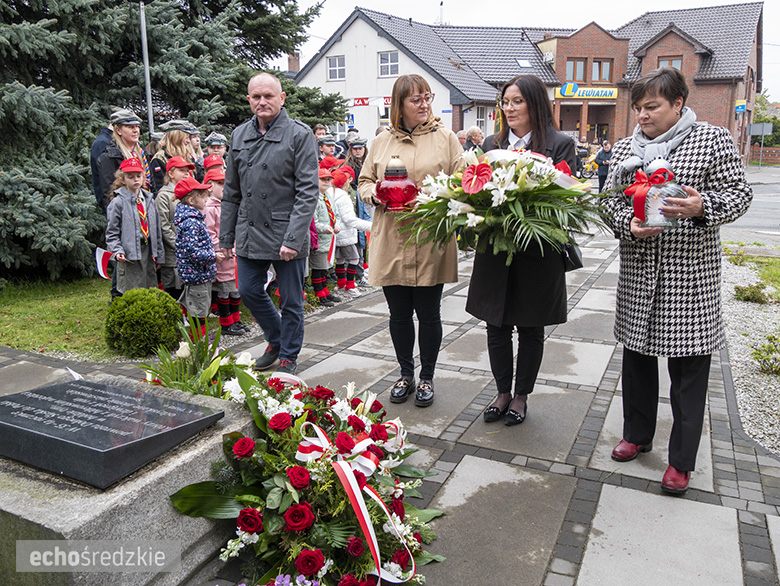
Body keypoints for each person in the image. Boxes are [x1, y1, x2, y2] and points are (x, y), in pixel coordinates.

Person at [603, 67, 752, 494]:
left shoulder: (712, 140)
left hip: (689, 278)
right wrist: (627, 226)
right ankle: (637, 435)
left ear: (678, 104)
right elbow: (608, 206)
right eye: (638, 108)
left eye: (651, 107)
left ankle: (681, 461)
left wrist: (700, 206)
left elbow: (739, 195)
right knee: (636, 362)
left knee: (688, 374)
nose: (642, 116)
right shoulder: (626, 148)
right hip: (638, 274)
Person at [468, 74, 575, 427]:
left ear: (535, 104)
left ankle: (521, 396)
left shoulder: (558, 144)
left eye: (517, 101)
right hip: (496, 249)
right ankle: (501, 391)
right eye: (506, 102)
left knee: (530, 327)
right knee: (495, 324)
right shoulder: (491, 143)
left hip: (537, 251)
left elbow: (565, 198)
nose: (509, 108)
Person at [358, 73, 461, 408]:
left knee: (429, 313)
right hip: (391, 236)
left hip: (431, 236)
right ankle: (405, 374)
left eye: (427, 97)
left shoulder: (445, 138)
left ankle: (427, 378)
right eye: (416, 99)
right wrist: (377, 194)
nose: (424, 104)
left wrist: (432, 196)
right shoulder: (381, 141)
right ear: (398, 104)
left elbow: (461, 181)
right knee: (399, 313)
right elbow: (364, 182)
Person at [219, 72, 319, 375]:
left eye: (268, 96)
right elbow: (231, 191)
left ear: (282, 98)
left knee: (291, 301)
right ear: (249, 99)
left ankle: (288, 356)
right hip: (250, 230)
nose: (262, 102)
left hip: (287, 232)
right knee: (248, 290)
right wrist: (225, 238)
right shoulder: (239, 135)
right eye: (256, 97)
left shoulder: (299, 135)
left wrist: (292, 238)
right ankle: (276, 338)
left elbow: (307, 192)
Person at [105, 158, 164, 297]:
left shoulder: (149, 200)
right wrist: (117, 250)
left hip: (148, 251)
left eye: (139, 176)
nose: (136, 180)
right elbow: (112, 233)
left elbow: (157, 230)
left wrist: (159, 255)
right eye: (130, 177)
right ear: (122, 180)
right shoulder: (118, 203)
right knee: (131, 291)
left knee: (149, 289)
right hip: (129, 254)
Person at [203, 168, 249, 337]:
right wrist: (221, 248)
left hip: (235, 253)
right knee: (225, 290)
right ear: (209, 186)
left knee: (235, 289)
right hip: (224, 255)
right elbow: (210, 232)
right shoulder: (209, 208)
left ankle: (236, 320)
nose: (224, 187)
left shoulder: (229, 204)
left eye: (225, 183)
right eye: (219, 183)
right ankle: (226, 322)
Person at [174, 176, 217, 339]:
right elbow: (193, 252)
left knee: (200, 307)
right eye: (203, 195)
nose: (207, 198)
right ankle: (198, 341)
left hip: (199, 274)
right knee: (198, 310)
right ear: (191, 200)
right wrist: (213, 257)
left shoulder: (193, 219)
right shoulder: (191, 222)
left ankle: (200, 337)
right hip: (196, 275)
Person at [156, 156, 194, 301]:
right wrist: (178, 244)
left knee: (186, 284)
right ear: (170, 174)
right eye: (182, 170)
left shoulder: (188, 194)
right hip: (173, 252)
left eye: (187, 171)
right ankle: (177, 316)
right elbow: (163, 225)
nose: (186, 174)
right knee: (173, 285)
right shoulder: (163, 196)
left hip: (188, 249)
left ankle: (187, 314)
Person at [97, 109, 150, 212]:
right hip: (126, 213)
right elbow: (108, 194)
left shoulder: (143, 153)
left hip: (146, 209)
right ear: (118, 130)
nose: (136, 130)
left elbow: (152, 185)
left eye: (137, 126)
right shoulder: (109, 157)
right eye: (130, 127)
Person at [330, 167, 372, 297]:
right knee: (354, 258)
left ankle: (341, 284)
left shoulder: (329, 193)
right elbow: (350, 220)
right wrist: (372, 226)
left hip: (336, 235)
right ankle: (350, 286)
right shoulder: (343, 197)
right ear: (345, 183)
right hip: (346, 234)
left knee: (340, 259)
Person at [310, 168, 343, 307]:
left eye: (329, 179)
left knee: (325, 267)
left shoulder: (328, 196)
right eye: (323, 179)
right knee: (318, 268)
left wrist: (337, 224)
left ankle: (325, 291)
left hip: (329, 240)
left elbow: (336, 214)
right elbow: (313, 221)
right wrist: (325, 228)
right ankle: (319, 293)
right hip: (319, 239)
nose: (327, 182)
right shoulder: (313, 198)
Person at [150, 120, 201, 194]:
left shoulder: (188, 157)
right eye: (186, 138)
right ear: (176, 138)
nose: (188, 141)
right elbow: (158, 189)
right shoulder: (160, 158)